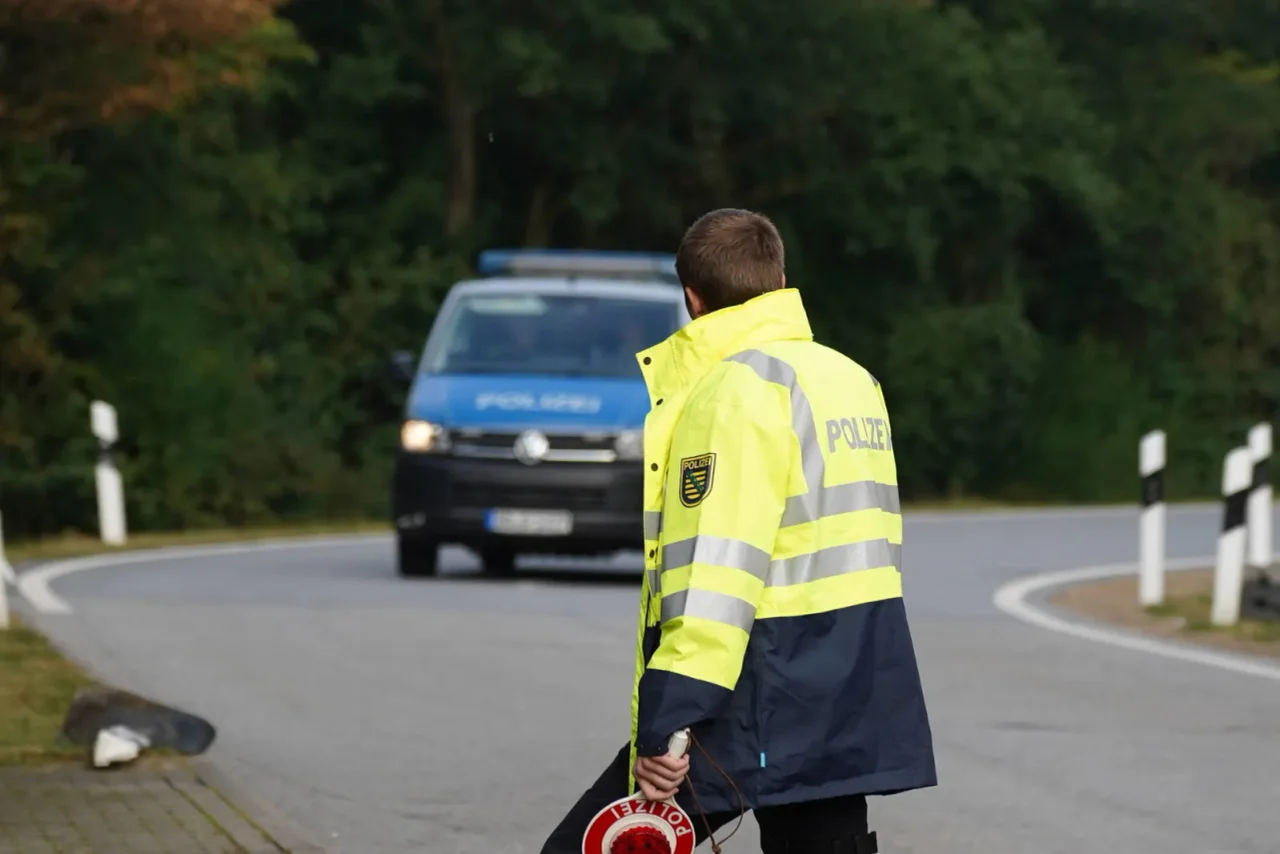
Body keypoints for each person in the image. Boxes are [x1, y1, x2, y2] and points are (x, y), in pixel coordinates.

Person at [539, 209, 936, 854]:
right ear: (780, 278)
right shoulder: (851, 379)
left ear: (692, 299)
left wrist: (668, 722)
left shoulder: (732, 392)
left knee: (588, 847)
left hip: (757, 694)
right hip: (847, 683)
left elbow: (715, 575)